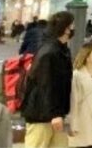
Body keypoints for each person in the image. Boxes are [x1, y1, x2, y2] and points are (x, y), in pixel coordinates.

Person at [21, 11, 74, 148]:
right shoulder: (50, 52)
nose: (74, 29)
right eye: (71, 26)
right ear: (65, 28)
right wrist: (55, 114)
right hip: (42, 115)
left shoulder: (61, 50)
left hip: (54, 115)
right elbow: (45, 85)